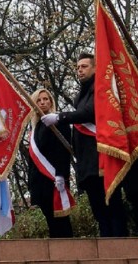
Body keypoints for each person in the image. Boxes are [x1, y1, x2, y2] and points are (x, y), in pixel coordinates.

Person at [41, 52, 128, 237]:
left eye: (84, 66)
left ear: (96, 67)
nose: (80, 70)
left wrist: (60, 117)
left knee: (112, 206)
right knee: (99, 210)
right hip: (86, 162)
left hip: (102, 158)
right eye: (78, 67)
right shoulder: (80, 96)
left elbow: (90, 112)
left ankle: (120, 243)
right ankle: (107, 243)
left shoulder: (101, 88)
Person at [27, 88, 74, 238]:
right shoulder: (34, 128)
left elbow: (63, 151)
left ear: (51, 101)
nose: (42, 102)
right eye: (39, 100)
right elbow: (32, 161)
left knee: (61, 220)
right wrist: (32, 190)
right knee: (51, 222)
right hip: (40, 182)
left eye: (46, 99)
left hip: (54, 178)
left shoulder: (57, 122)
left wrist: (61, 174)